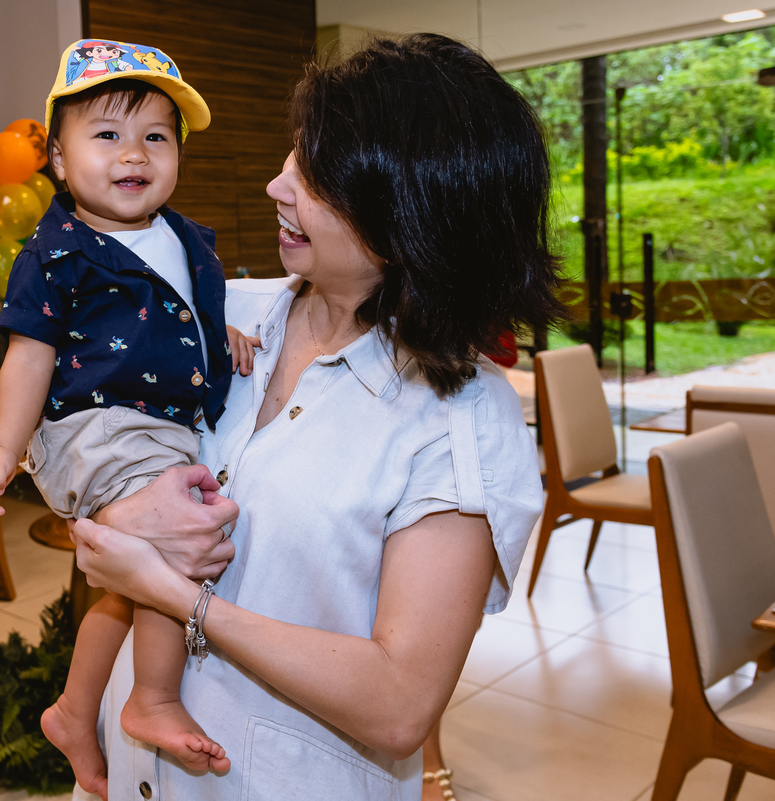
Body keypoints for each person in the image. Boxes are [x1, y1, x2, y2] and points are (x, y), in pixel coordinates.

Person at [66, 33, 563, 801]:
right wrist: (113, 511)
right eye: (293, 156)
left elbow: (400, 704)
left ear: (410, 215)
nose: (277, 185)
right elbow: (71, 414)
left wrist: (177, 596)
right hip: (133, 773)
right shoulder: (218, 312)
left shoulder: (460, 415)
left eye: (317, 176)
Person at [0, 39, 259, 800]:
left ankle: (72, 710)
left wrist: (217, 332)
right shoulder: (57, 254)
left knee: (125, 590)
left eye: (156, 136)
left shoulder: (184, 238)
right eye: (107, 134)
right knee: (178, 540)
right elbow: (28, 357)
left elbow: (177, 310)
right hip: (95, 426)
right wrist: (2, 446)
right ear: (59, 161)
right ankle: (152, 699)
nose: (134, 153)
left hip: (159, 428)